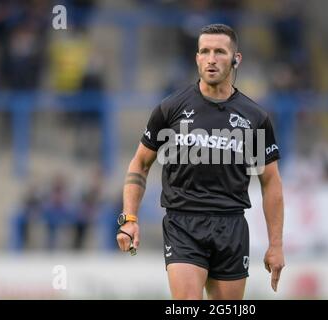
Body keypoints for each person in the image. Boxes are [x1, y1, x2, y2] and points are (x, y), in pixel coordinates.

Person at [116, 24, 285, 300]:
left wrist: (275, 245)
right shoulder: (170, 109)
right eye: (204, 51)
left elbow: (271, 183)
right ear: (196, 58)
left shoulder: (255, 118)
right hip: (183, 222)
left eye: (220, 52)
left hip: (231, 226)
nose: (211, 58)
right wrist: (129, 218)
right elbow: (140, 164)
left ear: (236, 59)